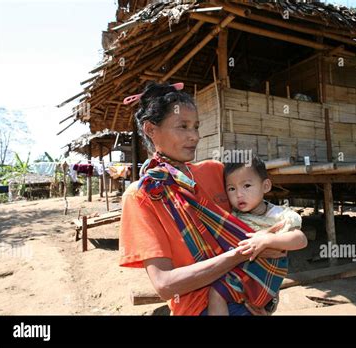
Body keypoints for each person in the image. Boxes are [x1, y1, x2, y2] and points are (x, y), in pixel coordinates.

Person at [119, 81, 291, 315]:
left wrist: (269, 298)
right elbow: (165, 284)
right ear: (151, 129)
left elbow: (267, 224)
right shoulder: (144, 194)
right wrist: (241, 253)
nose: (194, 136)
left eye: (196, 127)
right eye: (183, 127)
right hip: (199, 309)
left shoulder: (215, 171)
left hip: (249, 294)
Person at [207, 157, 307, 315]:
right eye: (231, 189)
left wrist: (268, 240)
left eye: (246, 186)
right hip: (241, 274)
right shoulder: (233, 218)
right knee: (215, 293)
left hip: (266, 275)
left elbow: (300, 240)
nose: (239, 194)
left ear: (265, 186)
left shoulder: (277, 215)